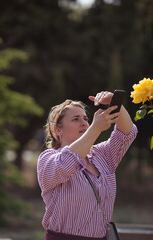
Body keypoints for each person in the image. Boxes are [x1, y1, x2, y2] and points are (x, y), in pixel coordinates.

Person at [37, 91, 138, 240]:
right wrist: (95, 129)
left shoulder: (101, 155)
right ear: (58, 130)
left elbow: (127, 134)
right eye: (76, 119)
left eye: (85, 118)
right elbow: (68, 162)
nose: (84, 123)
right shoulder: (48, 159)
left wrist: (115, 103)